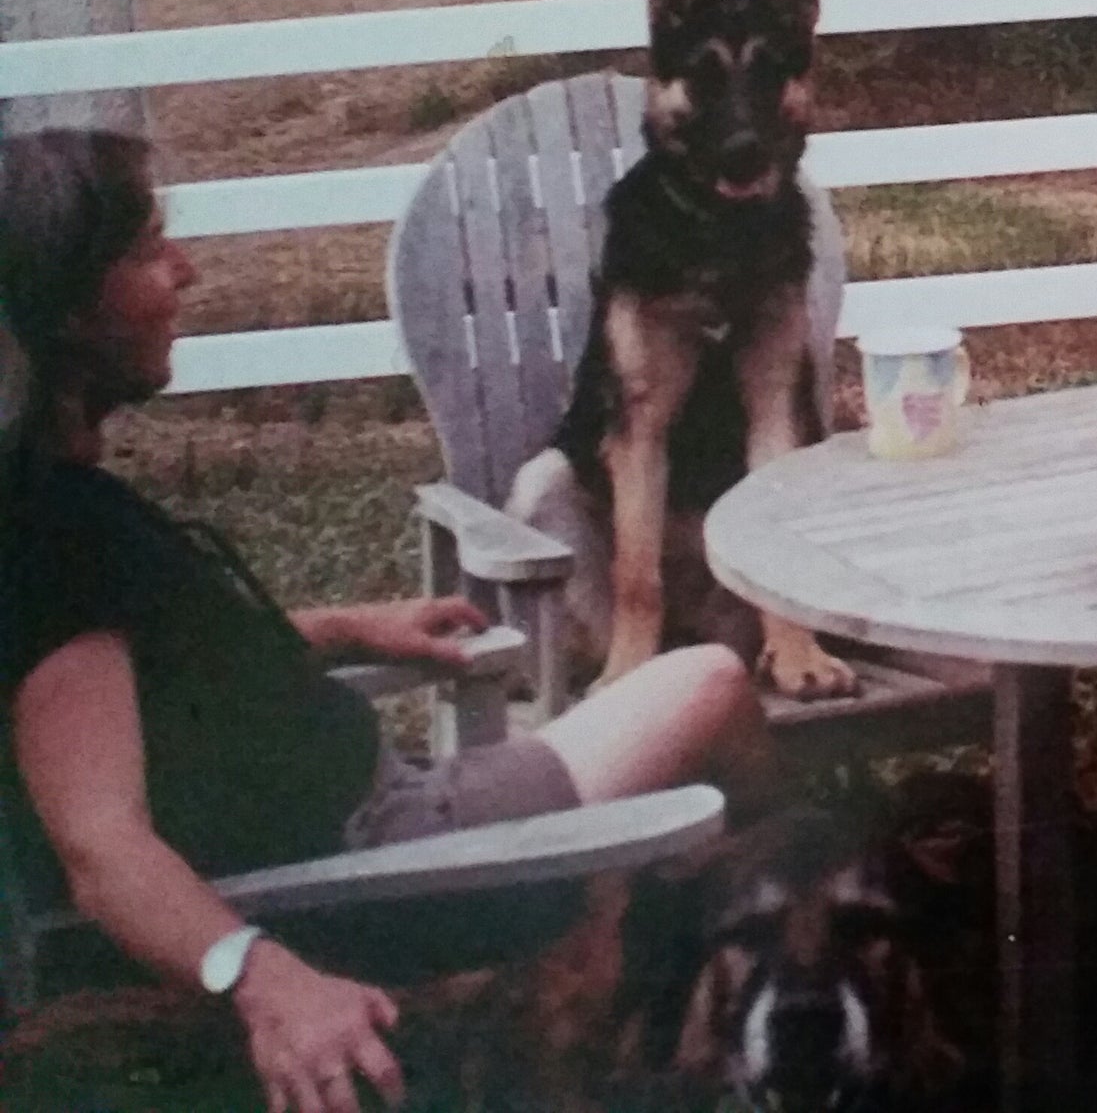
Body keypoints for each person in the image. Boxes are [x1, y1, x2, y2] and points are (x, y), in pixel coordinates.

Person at [1, 130, 777, 1113]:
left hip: (370, 820)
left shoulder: (42, 503)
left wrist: (338, 626)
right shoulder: (52, 534)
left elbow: (137, 667)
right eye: (152, 250)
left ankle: (657, 928)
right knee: (710, 683)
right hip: (389, 857)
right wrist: (267, 978)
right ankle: (766, 938)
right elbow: (100, 850)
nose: (186, 269)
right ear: (72, 306)